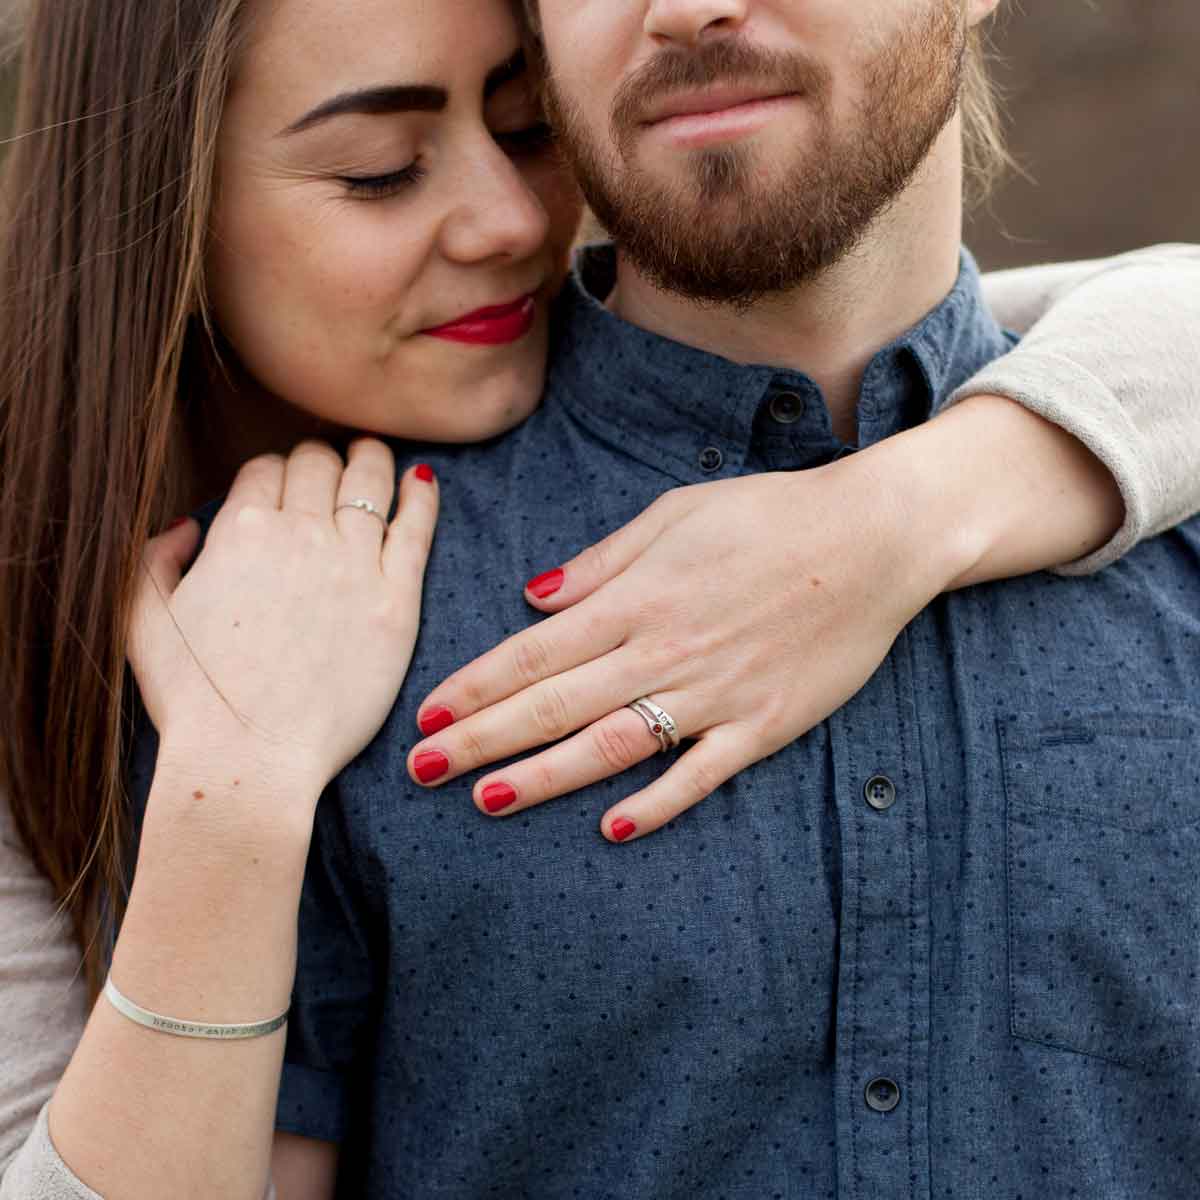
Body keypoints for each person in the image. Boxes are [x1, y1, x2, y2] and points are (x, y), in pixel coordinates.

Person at [0, 1, 1197, 1199]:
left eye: (518, 130)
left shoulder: (1136, 441)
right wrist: (234, 794)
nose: (508, 220)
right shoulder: (268, 636)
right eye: (375, 174)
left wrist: (904, 514)